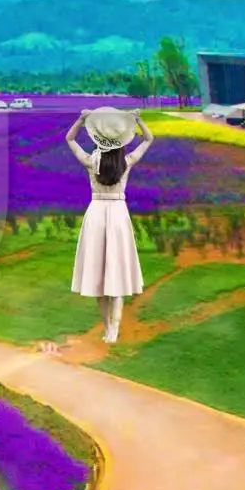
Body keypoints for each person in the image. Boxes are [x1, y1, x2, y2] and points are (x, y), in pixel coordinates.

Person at [65, 108, 153, 342]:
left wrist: (81, 119)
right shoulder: (126, 161)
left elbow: (69, 139)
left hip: (96, 212)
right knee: (117, 274)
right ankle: (114, 330)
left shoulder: (91, 161)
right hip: (117, 214)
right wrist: (137, 120)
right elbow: (148, 139)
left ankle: (107, 329)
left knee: (99, 277)